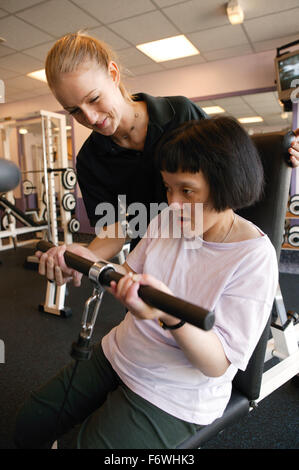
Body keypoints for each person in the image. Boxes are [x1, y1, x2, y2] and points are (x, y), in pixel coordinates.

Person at [14, 117, 278, 449]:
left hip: (174, 393)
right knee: (27, 424)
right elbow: (126, 274)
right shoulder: (168, 219)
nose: (173, 203)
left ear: (226, 184)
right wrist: (79, 260)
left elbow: (216, 364)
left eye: (187, 191)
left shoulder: (253, 257)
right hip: (120, 352)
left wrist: (168, 315)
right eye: (168, 188)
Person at [36, 32, 299, 287]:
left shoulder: (181, 114)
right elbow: (114, 229)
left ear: (113, 74)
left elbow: (231, 168)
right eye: (75, 111)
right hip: (152, 260)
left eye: (94, 99)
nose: (90, 118)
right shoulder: (90, 160)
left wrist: (286, 152)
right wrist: (87, 258)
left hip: (210, 252)